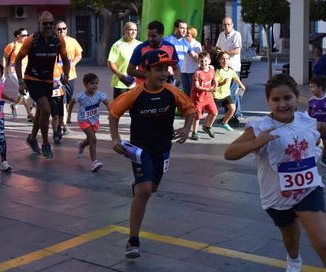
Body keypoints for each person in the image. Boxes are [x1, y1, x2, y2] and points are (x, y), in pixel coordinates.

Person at [224, 74, 326, 272]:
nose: (282, 104)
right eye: (276, 99)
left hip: (309, 189)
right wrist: (256, 142)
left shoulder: (305, 119)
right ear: (268, 101)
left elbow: (320, 126)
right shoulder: (260, 126)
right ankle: (293, 260)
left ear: (296, 98)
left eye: (287, 98)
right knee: (290, 236)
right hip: (276, 194)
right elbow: (229, 153)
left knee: (322, 242)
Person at [109, 49, 196, 258]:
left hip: (163, 149)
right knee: (145, 191)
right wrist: (115, 139)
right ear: (145, 71)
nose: (164, 73)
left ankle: (140, 186)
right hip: (140, 150)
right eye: (158, 69)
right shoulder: (135, 93)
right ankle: (133, 241)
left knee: (152, 188)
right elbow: (113, 113)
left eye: (166, 69)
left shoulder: (172, 92)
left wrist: (186, 129)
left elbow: (190, 109)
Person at [15, 11, 70, 159]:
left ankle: (32, 138)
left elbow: (65, 59)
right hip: (32, 79)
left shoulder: (58, 40)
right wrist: (20, 82)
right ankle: (46, 143)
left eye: (51, 23)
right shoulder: (31, 40)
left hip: (48, 80)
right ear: (39, 24)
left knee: (40, 112)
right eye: (45, 23)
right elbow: (18, 60)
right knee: (46, 110)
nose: (48, 26)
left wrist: (66, 74)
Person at [66, 73, 110, 172]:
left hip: (94, 120)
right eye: (92, 83)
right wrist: (68, 115)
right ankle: (94, 162)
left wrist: (112, 113)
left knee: (90, 139)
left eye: (96, 83)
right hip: (83, 120)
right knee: (93, 138)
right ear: (85, 84)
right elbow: (72, 102)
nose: (95, 85)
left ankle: (81, 145)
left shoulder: (99, 95)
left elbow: (108, 104)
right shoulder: (81, 96)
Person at [127, 20, 180, 85]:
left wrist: (177, 79)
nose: (150, 39)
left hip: (163, 89)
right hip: (144, 89)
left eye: (153, 36)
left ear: (161, 35)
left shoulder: (170, 47)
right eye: (148, 36)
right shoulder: (140, 48)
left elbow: (176, 67)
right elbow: (130, 70)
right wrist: (150, 75)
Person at [55, 21, 83, 135]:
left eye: (64, 28)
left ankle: (63, 120)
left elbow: (79, 54)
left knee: (68, 99)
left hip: (70, 76)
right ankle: (63, 126)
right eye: (59, 29)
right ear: (55, 31)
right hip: (57, 78)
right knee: (61, 100)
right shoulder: (53, 43)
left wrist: (73, 64)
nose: (61, 31)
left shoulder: (73, 41)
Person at [2, 28, 33, 122]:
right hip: (13, 72)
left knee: (21, 91)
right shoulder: (12, 45)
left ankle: (14, 105)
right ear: (18, 36)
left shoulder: (28, 45)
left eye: (27, 35)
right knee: (24, 91)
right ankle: (29, 114)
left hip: (25, 72)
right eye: (23, 35)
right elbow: (4, 57)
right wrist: (3, 72)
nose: (26, 37)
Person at [216, 17, 243, 120]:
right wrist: (217, 50)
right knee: (226, 92)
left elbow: (237, 50)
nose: (226, 26)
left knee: (232, 92)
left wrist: (225, 53)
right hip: (223, 67)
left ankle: (236, 114)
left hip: (233, 67)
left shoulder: (237, 35)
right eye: (224, 24)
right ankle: (232, 114)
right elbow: (217, 46)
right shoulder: (221, 35)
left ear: (232, 25)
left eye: (228, 24)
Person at [214, 51, 246, 132]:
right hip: (217, 95)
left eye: (227, 59)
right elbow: (215, 84)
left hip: (226, 95)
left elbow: (236, 78)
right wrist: (223, 83)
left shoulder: (231, 70)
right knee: (213, 113)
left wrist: (241, 85)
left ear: (229, 60)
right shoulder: (217, 71)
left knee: (232, 109)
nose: (225, 61)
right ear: (219, 60)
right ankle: (207, 126)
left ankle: (224, 123)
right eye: (223, 59)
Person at [107, 21, 140, 99]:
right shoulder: (117, 45)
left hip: (136, 83)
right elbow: (110, 62)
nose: (134, 32)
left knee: (135, 109)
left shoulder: (140, 45)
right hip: (121, 83)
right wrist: (119, 75)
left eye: (135, 30)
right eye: (131, 30)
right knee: (119, 109)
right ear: (125, 31)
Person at [190, 51, 218, 140]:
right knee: (197, 116)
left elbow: (215, 80)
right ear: (198, 62)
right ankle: (194, 132)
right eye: (201, 61)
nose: (203, 63)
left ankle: (207, 127)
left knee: (214, 112)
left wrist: (215, 86)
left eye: (205, 61)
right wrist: (208, 89)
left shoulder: (212, 69)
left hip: (208, 96)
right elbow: (197, 86)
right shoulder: (197, 73)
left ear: (209, 61)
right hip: (198, 98)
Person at [164, 19, 198, 91]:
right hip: (168, 75)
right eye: (182, 28)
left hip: (179, 75)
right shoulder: (167, 40)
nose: (184, 30)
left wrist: (206, 61)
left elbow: (194, 55)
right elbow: (160, 55)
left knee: (176, 95)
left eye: (185, 28)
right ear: (176, 28)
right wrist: (167, 66)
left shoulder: (185, 41)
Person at [181, 26, 203, 96]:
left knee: (193, 92)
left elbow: (199, 60)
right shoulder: (183, 43)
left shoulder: (197, 44)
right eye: (185, 35)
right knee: (186, 93)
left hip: (193, 71)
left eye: (188, 35)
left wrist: (190, 52)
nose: (186, 37)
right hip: (183, 70)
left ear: (193, 35)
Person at [50, 61, 66, 145]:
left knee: (61, 116)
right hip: (51, 95)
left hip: (60, 94)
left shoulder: (59, 67)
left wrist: (64, 80)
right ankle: (55, 133)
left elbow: (63, 80)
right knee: (55, 116)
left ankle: (59, 130)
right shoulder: (46, 67)